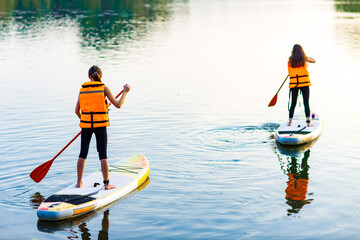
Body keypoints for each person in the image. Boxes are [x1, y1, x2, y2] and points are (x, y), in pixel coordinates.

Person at [75, 65, 130, 190]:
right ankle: (107, 184)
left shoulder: (82, 90)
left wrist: (85, 120)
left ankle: (79, 182)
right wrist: (125, 92)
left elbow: (76, 111)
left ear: (89, 77)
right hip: (100, 126)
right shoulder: (104, 88)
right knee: (103, 155)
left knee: (82, 154)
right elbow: (118, 104)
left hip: (86, 126)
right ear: (101, 76)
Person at [287, 44, 316, 127]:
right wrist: (304, 56)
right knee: (306, 103)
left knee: (293, 103)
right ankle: (309, 123)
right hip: (304, 84)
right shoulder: (304, 59)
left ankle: (290, 122)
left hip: (294, 85)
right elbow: (314, 60)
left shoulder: (290, 60)